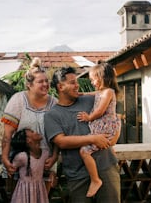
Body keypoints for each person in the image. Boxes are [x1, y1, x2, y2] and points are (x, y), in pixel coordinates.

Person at [44, 67, 121, 203]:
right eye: (72, 82)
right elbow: (61, 141)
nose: (77, 85)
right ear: (60, 87)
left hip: (106, 168)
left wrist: (115, 137)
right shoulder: (52, 115)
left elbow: (113, 112)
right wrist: (93, 138)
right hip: (77, 174)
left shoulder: (89, 100)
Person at [0, 57, 58, 195]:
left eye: (46, 81)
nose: (45, 84)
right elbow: (7, 135)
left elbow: (58, 136)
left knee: (42, 197)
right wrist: (5, 158)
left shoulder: (54, 104)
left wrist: (55, 156)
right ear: (29, 85)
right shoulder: (18, 101)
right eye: (40, 81)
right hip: (20, 161)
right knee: (19, 196)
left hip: (46, 161)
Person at [76, 62, 121, 197]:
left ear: (102, 77)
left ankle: (95, 180)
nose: (92, 82)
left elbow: (100, 110)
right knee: (101, 147)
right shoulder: (103, 92)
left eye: (93, 79)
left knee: (84, 151)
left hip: (105, 128)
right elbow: (93, 93)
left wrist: (89, 117)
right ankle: (109, 147)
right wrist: (81, 94)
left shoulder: (108, 92)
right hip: (103, 128)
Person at [10, 128, 51, 203]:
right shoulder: (22, 157)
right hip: (24, 192)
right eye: (32, 132)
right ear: (28, 140)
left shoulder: (45, 154)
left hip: (39, 190)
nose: (36, 132)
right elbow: (11, 170)